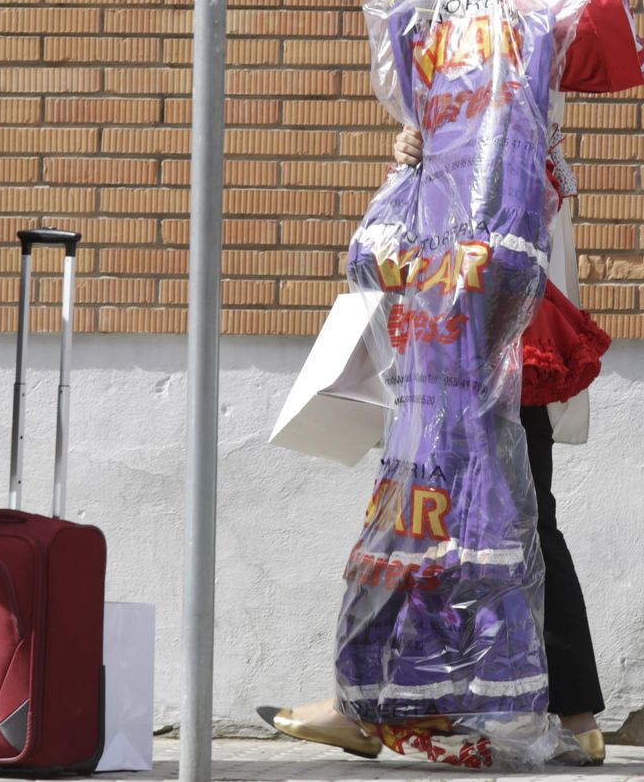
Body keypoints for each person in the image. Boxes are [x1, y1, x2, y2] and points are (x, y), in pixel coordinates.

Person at [258, 124, 606, 766]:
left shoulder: (506, 117)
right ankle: (569, 717)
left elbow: (504, 224)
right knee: (469, 529)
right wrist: (412, 162)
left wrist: (428, 162)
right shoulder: (498, 120)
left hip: (479, 355)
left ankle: (368, 709)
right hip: (468, 351)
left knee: (430, 530)